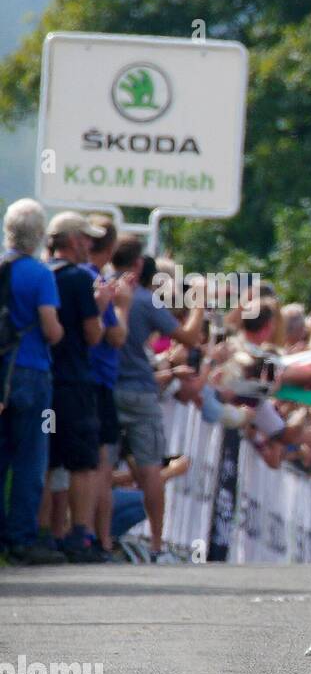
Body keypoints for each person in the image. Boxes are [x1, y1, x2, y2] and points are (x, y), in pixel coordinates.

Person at [110, 235, 204, 563]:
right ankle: (156, 545)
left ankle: (91, 536)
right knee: (151, 467)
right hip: (138, 390)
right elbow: (189, 337)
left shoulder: (102, 289)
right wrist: (199, 304)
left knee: (97, 466)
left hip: (105, 389)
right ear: (137, 263)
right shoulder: (144, 300)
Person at [0, 199, 65, 564]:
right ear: (39, 235)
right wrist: (59, 334)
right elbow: (50, 327)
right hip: (31, 370)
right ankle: (21, 539)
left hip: (1, 370)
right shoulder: (41, 275)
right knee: (29, 457)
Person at [45, 212, 109, 562]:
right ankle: (80, 535)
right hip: (75, 383)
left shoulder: (42, 274)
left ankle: (45, 533)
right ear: (71, 241)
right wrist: (101, 307)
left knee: (47, 458)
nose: (90, 245)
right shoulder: (78, 279)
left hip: (46, 380)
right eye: (85, 238)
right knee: (83, 462)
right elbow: (93, 334)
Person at [82, 215, 126, 558]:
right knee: (99, 464)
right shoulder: (98, 281)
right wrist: (120, 306)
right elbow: (116, 335)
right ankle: (100, 539)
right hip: (96, 382)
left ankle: (67, 532)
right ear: (109, 248)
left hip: (74, 380)